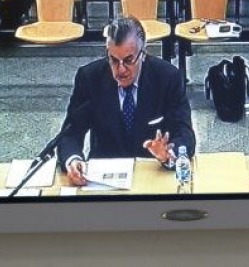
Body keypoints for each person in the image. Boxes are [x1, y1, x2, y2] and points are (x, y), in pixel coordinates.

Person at [57, 17, 196, 186]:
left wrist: (169, 153)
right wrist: (73, 159)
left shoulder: (167, 77)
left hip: (152, 171)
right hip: (104, 176)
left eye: (129, 60)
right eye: (114, 60)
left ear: (143, 54)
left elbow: (184, 132)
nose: (121, 69)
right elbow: (70, 132)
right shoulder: (90, 78)